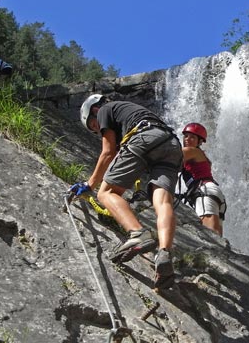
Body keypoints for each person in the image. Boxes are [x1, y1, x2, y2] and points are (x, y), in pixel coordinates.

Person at [69, 94, 183, 290]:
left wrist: (89, 184)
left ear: (94, 111)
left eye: (95, 126)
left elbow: (108, 152)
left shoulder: (105, 109)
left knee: (105, 193)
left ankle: (137, 233)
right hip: (172, 145)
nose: (98, 130)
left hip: (144, 137)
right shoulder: (131, 110)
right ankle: (164, 253)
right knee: (163, 202)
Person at [180, 122, 227, 236]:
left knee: (210, 236)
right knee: (217, 239)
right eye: (186, 136)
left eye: (192, 137)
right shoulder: (201, 156)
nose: (188, 139)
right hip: (212, 193)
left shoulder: (193, 151)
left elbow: (170, 155)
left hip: (204, 191)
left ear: (200, 141)